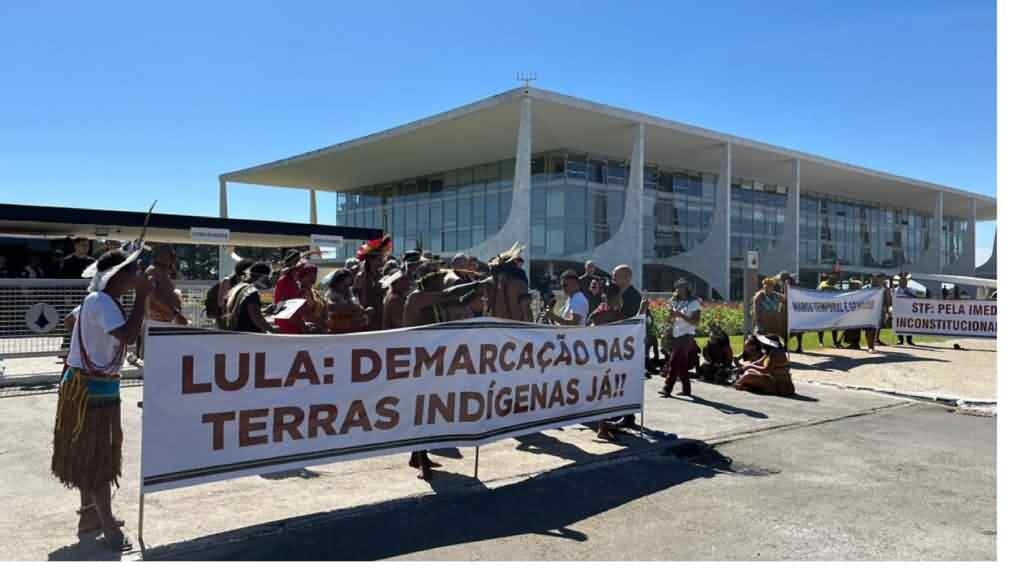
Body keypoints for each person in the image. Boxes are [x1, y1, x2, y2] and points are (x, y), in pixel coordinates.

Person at [51, 247, 152, 552]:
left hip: (87, 387)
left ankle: (89, 517)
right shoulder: (103, 301)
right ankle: (106, 525)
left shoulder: (97, 301)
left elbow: (71, 322)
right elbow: (130, 336)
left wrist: (89, 342)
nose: (137, 274)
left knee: (89, 455)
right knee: (97, 460)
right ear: (116, 276)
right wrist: (142, 296)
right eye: (132, 270)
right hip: (91, 391)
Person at [402, 269, 491, 480]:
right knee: (421, 412)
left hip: (431, 360)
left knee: (429, 410)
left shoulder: (433, 300)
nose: (444, 289)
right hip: (416, 362)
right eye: (441, 285)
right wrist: (475, 284)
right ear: (432, 284)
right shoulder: (416, 298)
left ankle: (417, 457)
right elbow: (448, 295)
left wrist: (478, 290)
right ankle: (423, 463)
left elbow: (457, 301)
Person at [586, 285, 623, 442]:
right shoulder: (605, 309)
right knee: (605, 391)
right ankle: (602, 427)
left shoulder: (609, 309)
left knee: (610, 391)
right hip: (602, 357)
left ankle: (606, 423)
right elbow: (593, 320)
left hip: (610, 355)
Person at [486, 242, 533, 322]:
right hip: (510, 325)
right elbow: (525, 307)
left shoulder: (491, 284)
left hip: (501, 325)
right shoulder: (517, 282)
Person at [223, 263, 276, 333]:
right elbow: (257, 319)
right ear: (262, 277)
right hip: (249, 335)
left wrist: (263, 311)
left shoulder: (240, 287)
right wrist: (273, 331)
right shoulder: (252, 292)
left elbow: (243, 310)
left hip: (237, 332)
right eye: (267, 278)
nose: (268, 281)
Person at [354, 236, 391, 331]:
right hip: (368, 316)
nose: (382, 261)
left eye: (382, 258)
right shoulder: (362, 276)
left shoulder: (380, 275)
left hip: (381, 314)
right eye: (379, 258)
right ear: (370, 260)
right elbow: (359, 298)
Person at [274, 261, 320, 334]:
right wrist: (304, 326)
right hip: (289, 328)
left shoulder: (293, 283)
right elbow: (288, 311)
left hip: (296, 327)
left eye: (314, 275)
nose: (313, 278)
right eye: (310, 275)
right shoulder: (287, 282)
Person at [322, 268, 368, 334]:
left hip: (352, 331)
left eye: (349, 285)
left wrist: (364, 311)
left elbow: (358, 308)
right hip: (337, 333)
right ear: (337, 283)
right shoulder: (331, 295)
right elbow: (330, 306)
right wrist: (351, 307)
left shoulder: (349, 293)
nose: (347, 288)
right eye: (345, 285)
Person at [777, 271, 803, 352]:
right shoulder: (796, 285)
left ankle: (786, 346)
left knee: (785, 327)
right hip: (797, 310)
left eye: (781, 279)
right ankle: (799, 347)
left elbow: (785, 297)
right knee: (797, 328)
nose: (780, 281)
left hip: (789, 309)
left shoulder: (787, 284)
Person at [816, 272, 842, 347]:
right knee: (821, 325)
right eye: (834, 278)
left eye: (836, 279)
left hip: (833, 308)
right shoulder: (822, 284)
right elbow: (817, 292)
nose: (835, 280)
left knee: (834, 326)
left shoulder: (837, 287)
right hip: (823, 308)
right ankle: (821, 342)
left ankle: (834, 342)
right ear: (830, 277)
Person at [893, 272, 916, 346]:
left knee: (909, 325)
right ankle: (900, 339)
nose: (903, 282)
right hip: (899, 310)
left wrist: (908, 293)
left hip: (908, 309)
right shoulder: (895, 290)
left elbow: (915, 298)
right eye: (902, 281)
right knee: (899, 324)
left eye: (905, 281)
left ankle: (909, 340)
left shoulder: (911, 289)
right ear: (899, 282)